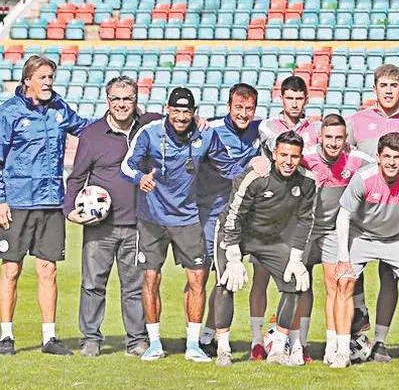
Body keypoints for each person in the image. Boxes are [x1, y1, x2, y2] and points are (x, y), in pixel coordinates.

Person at [120, 87, 258, 362]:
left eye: (187, 111)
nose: (181, 117)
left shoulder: (206, 135)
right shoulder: (149, 132)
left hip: (188, 217)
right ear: (167, 109)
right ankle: (155, 342)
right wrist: (139, 178)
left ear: (194, 113)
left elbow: (228, 168)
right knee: (150, 278)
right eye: (177, 110)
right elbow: (127, 165)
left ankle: (193, 345)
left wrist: (256, 169)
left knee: (197, 278)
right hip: (152, 218)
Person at [0, 54, 90, 355]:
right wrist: (1, 199)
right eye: (43, 77)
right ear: (28, 81)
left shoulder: (60, 109)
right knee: (11, 269)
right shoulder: (9, 112)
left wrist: (136, 118)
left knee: (48, 269)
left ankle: (49, 338)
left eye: (51, 77)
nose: (49, 82)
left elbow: (88, 129)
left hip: (52, 201)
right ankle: (6, 337)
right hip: (18, 202)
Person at [63, 76, 156, 357]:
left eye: (127, 98)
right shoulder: (92, 135)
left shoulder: (149, 128)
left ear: (136, 100)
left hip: (137, 224)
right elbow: (77, 177)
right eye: (116, 99)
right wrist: (71, 212)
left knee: (133, 286)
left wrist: (199, 120)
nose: (121, 104)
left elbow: (179, 119)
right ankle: (91, 338)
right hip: (100, 226)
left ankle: (136, 340)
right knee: (93, 284)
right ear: (108, 101)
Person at [212, 132, 317, 368]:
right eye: (284, 155)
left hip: (270, 238)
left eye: (294, 156)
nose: (288, 162)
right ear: (273, 154)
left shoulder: (308, 181)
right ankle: (223, 348)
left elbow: (304, 221)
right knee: (226, 283)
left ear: (301, 157)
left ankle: (278, 348)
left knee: (295, 283)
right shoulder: (255, 176)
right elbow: (234, 216)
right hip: (235, 234)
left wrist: (296, 258)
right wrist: (234, 257)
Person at [333, 132, 399, 368]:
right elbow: (343, 215)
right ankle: (342, 352)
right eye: (387, 156)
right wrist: (343, 257)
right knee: (344, 282)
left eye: (397, 157)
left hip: (396, 238)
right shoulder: (363, 178)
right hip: (362, 236)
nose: (392, 162)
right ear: (377, 157)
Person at [195, 84, 264, 357]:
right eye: (239, 108)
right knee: (204, 275)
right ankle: (199, 335)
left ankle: (208, 335)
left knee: (224, 275)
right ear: (228, 106)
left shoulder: (260, 131)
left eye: (249, 109)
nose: (244, 114)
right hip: (210, 212)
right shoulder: (209, 130)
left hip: (242, 215)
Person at [301, 114, 371, 366]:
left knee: (334, 286)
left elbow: (384, 165)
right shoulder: (305, 157)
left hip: (333, 231)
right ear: (320, 137)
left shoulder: (355, 160)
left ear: (346, 140)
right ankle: (297, 343)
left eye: (339, 138)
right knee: (299, 287)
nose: (333, 143)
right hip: (305, 230)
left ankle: (332, 347)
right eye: (328, 137)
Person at [347, 63, 399, 157]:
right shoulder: (356, 121)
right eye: (383, 85)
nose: (388, 91)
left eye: (394, 85)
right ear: (375, 89)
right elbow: (344, 157)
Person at [259, 75, 321, 153]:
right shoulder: (268, 125)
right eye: (289, 98)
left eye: (299, 99)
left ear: (306, 100)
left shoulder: (317, 128)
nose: (294, 104)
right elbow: (274, 149)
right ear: (281, 99)